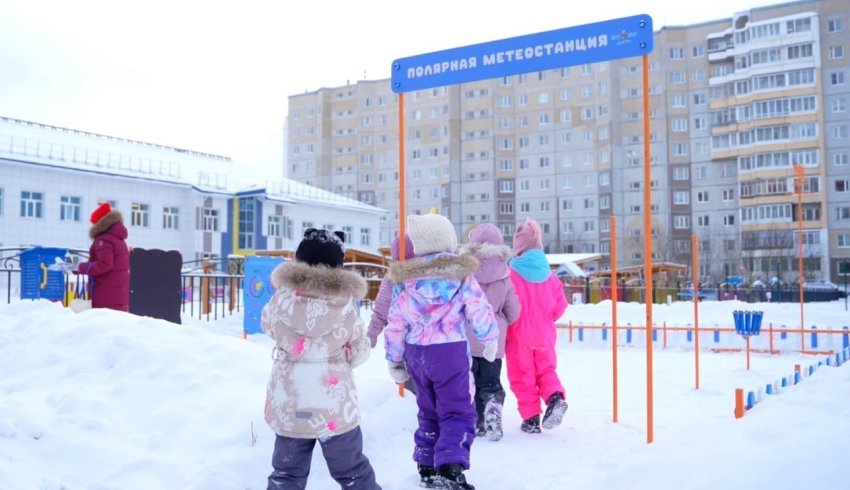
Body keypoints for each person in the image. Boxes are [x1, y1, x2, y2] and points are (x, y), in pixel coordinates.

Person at [384, 213, 498, 490]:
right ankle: (449, 469)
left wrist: (394, 359)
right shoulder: (460, 274)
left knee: (428, 409)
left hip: (417, 354)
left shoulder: (405, 280)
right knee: (458, 411)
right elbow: (478, 308)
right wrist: (489, 337)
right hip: (450, 351)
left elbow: (396, 320)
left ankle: (426, 463)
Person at [261, 228, 380, 490]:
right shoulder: (345, 305)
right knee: (352, 470)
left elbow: (268, 326)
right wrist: (344, 355)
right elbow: (360, 349)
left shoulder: (280, 300)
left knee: (286, 474)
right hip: (333, 406)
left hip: (290, 403)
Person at [458, 223, 520, 442]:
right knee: (490, 381)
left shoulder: (464, 272)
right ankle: (493, 407)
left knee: (469, 382)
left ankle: (476, 422)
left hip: (466, 336)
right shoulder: (505, 276)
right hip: (493, 340)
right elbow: (514, 311)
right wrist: (501, 319)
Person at [506, 218, 569, 434]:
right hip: (544, 334)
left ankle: (531, 418)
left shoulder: (510, 275)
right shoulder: (551, 277)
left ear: (518, 248)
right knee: (546, 370)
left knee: (522, 375)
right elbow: (560, 307)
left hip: (518, 335)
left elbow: (507, 304)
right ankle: (555, 398)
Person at [76, 202, 130, 312]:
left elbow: (104, 264)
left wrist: (78, 267)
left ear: (100, 223)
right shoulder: (119, 239)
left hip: (105, 297)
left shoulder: (103, 240)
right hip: (118, 297)